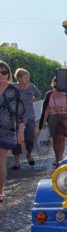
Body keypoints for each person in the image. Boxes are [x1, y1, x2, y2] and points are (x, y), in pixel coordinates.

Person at [0, 61, 25, 202]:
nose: (1, 75)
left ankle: (0, 191)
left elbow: (20, 113)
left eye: (4, 72)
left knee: (1, 160)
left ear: (8, 74)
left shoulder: (14, 91)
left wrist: (21, 132)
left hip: (6, 130)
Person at [11, 68, 41, 170]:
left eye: (28, 76)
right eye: (25, 77)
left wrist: (31, 100)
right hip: (17, 118)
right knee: (16, 140)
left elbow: (38, 95)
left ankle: (29, 154)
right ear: (19, 78)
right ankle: (17, 162)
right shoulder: (13, 87)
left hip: (30, 117)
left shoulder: (32, 86)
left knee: (29, 138)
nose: (28, 78)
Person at [40, 77, 67, 167]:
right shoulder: (49, 95)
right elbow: (46, 109)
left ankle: (60, 159)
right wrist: (43, 122)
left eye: (57, 86)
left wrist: (63, 108)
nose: (55, 88)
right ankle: (57, 158)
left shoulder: (65, 95)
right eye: (54, 86)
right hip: (52, 118)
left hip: (63, 117)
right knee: (55, 139)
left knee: (61, 139)